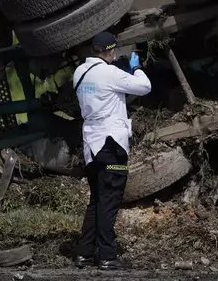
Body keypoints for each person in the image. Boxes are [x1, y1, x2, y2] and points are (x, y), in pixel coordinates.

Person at [72, 31, 151, 271]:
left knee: (96, 200)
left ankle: (84, 253)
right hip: (111, 145)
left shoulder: (79, 73)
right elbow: (144, 87)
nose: (115, 52)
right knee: (109, 201)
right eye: (114, 49)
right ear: (109, 50)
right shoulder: (109, 73)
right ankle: (107, 256)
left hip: (91, 146)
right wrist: (135, 68)